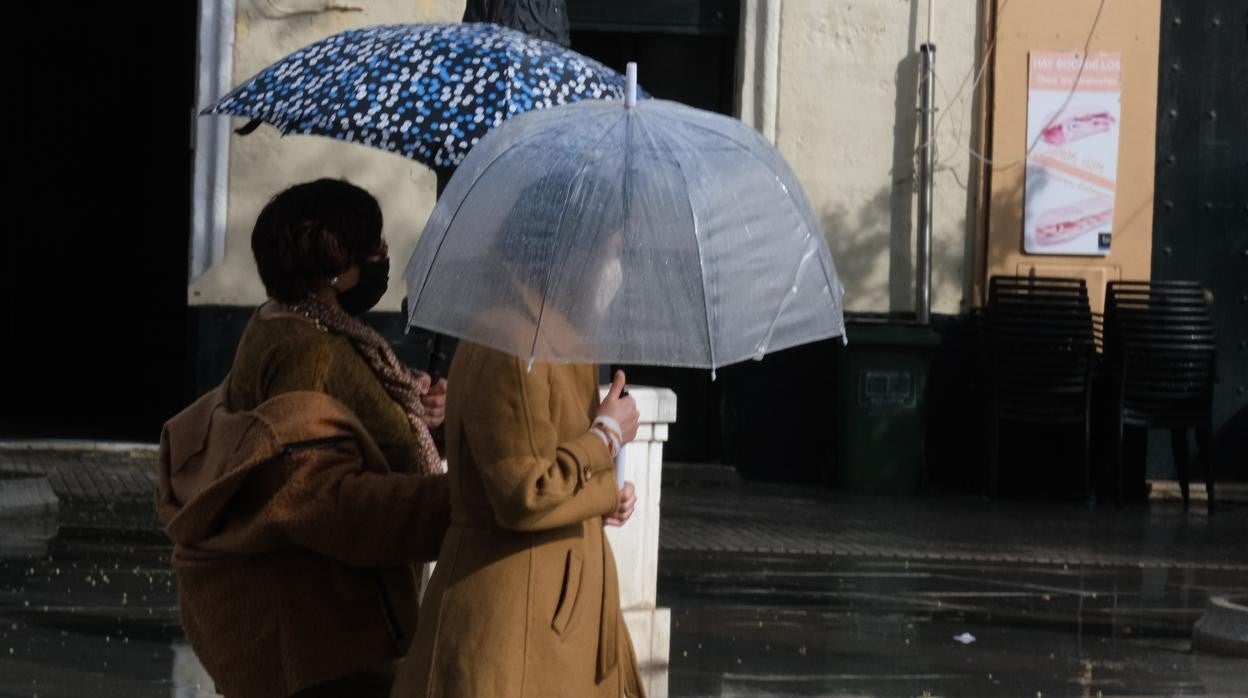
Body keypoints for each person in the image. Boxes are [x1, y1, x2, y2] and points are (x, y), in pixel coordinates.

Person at [156, 178, 453, 697]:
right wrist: (459, 506)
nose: (385, 256)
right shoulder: (305, 351)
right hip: (325, 642)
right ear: (336, 266)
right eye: (373, 246)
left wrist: (421, 420)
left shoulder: (302, 327)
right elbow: (312, 493)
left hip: (328, 638)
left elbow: (349, 430)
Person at [390, 172, 645, 698]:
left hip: (551, 619)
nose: (614, 267)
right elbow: (524, 494)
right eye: (609, 249)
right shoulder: (513, 341)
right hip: (511, 623)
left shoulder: (555, 337)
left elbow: (551, 465)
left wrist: (602, 495)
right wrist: (604, 438)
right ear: (569, 248)